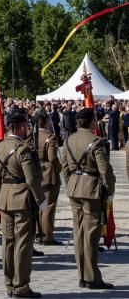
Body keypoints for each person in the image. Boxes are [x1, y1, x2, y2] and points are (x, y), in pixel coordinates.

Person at [0, 109, 46, 299]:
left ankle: (9, 283)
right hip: (22, 199)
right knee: (23, 243)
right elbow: (32, 179)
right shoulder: (23, 149)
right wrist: (41, 201)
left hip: (5, 199)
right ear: (21, 126)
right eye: (25, 126)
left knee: (8, 243)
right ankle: (21, 285)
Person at [63, 107, 116, 290]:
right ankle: (93, 278)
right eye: (94, 119)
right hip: (91, 189)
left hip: (74, 188)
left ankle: (82, 276)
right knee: (91, 235)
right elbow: (105, 171)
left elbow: (65, 168)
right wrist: (109, 190)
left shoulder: (69, 140)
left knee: (79, 233)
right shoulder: (96, 142)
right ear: (90, 121)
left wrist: (71, 184)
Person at [32, 109, 62, 245]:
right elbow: (52, 157)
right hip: (48, 173)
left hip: (34, 172)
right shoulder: (50, 137)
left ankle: (39, 233)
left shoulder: (31, 136)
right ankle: (47, 236)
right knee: (49, 205)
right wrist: (59, 167)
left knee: (39, 204)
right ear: (45, 121)